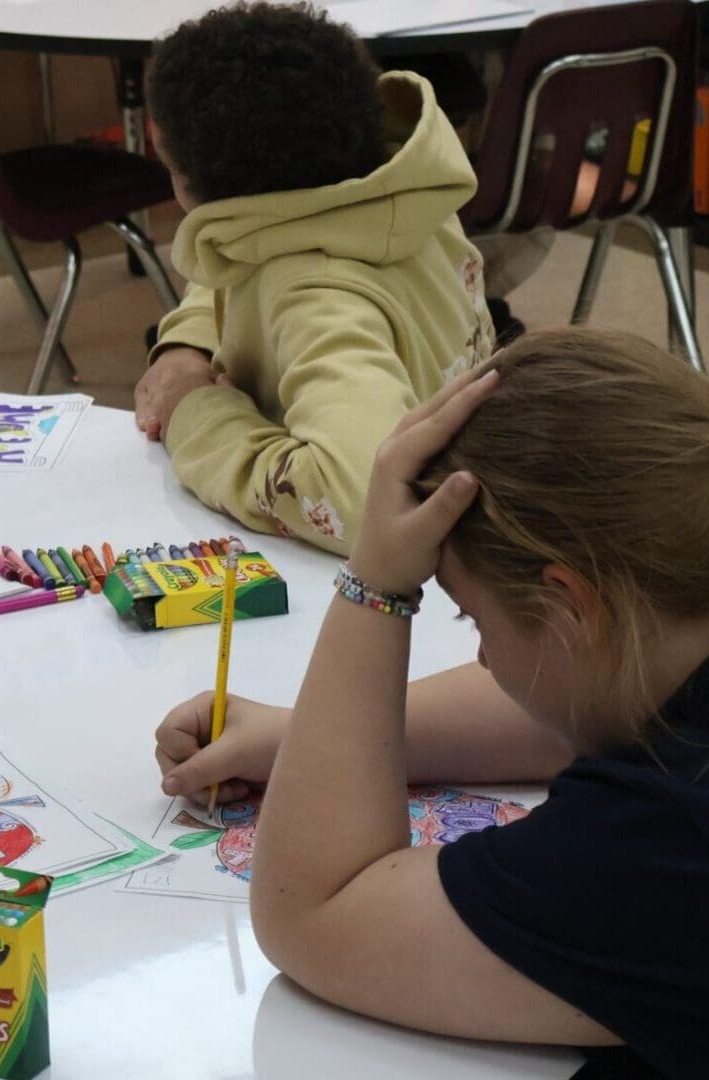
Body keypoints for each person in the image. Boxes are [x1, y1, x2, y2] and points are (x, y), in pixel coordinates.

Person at [154, 329, 709, 1077]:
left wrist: (375, 584)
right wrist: (299, 735)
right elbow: (595, 691)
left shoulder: (655, 839)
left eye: (475, 620)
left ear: (570, 606)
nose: (482, 656)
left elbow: (316, 912)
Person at [135, 2, 495, 555]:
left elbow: (362, 501)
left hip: (377, 592)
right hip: (478, 499)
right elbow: (237, 247)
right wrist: (187, 342)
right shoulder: (396, 190)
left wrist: (196, 411)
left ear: (190, 187)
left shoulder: (314, 296)